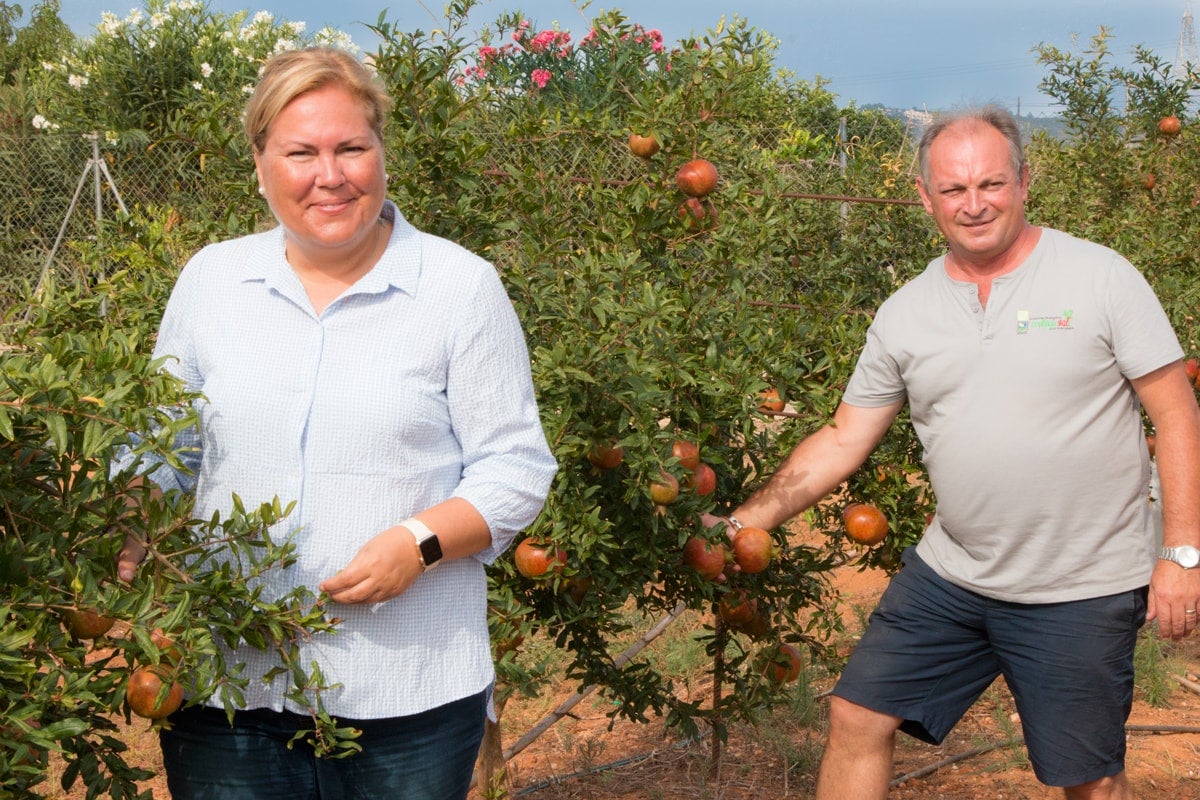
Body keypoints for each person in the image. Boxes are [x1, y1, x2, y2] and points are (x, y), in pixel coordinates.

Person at [713, 106, 1200, 800]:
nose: (974, 204)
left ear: (1023, 182)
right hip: (954, 575)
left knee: (1087, 779)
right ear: (925, 197)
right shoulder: (905, 313)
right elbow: (844, 438)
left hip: (1080, 586)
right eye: (954, 189)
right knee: (857, 715)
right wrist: (741, 522)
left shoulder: (1100, 278)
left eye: (991, 183)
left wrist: (1181, 554)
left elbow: (1177, 413)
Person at [115, 46, 557, 799]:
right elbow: (166, 443)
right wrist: (128, 525)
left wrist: (418, 543)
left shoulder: (459, 287)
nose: (330, 175)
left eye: (351, 147)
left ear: (382, 152)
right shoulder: (212, 280)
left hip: (407, 690)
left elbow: (515, 467)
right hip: (228, 682)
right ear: (260, 165)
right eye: (300, 153)